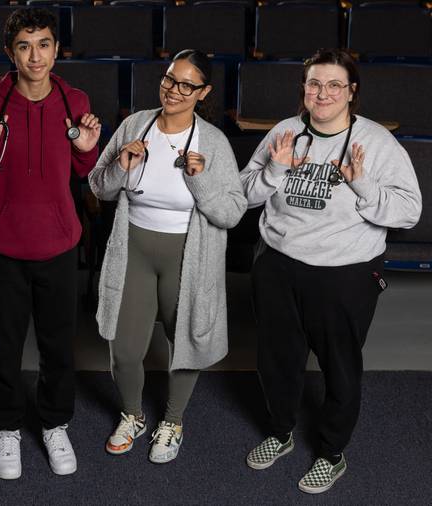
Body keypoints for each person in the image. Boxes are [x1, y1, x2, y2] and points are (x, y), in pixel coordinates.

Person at [240, 49, 422, 494]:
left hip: (344, 272)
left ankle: (331, 453)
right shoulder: (284, 132)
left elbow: (409, 211)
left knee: (340, 367)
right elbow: (242, 194)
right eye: (314, 84)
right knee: (277, 360)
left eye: (334, 85)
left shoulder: (376, 142)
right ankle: (281, 432)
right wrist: (274, 171)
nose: (323, 94)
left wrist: (363, 185)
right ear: (303, 88)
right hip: (278, 264)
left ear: (351, 91)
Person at [0, 8, 100, 480]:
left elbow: (83, 169)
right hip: (6, 247)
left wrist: (87, 150)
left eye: (43, 45)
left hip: (59, 245)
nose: (35, 56)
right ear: (10, 53)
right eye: (24, 46)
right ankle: (7, 427)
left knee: (58, 345)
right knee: (6, 345)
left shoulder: (75, 100)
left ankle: (55, 423)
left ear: (56, 50)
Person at [89, 49, 246, 464]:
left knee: (186, 342)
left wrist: (201, 180)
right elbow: (99, 186)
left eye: (187, 85)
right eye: (169, 79)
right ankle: (133, 415)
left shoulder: (213, 141)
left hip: (186, 255)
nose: (174, 90)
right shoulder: (134, 125)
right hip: (134, 249)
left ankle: (173, 421)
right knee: (124, 349)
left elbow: (232, 212)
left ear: (203, 92)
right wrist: (121, 166)